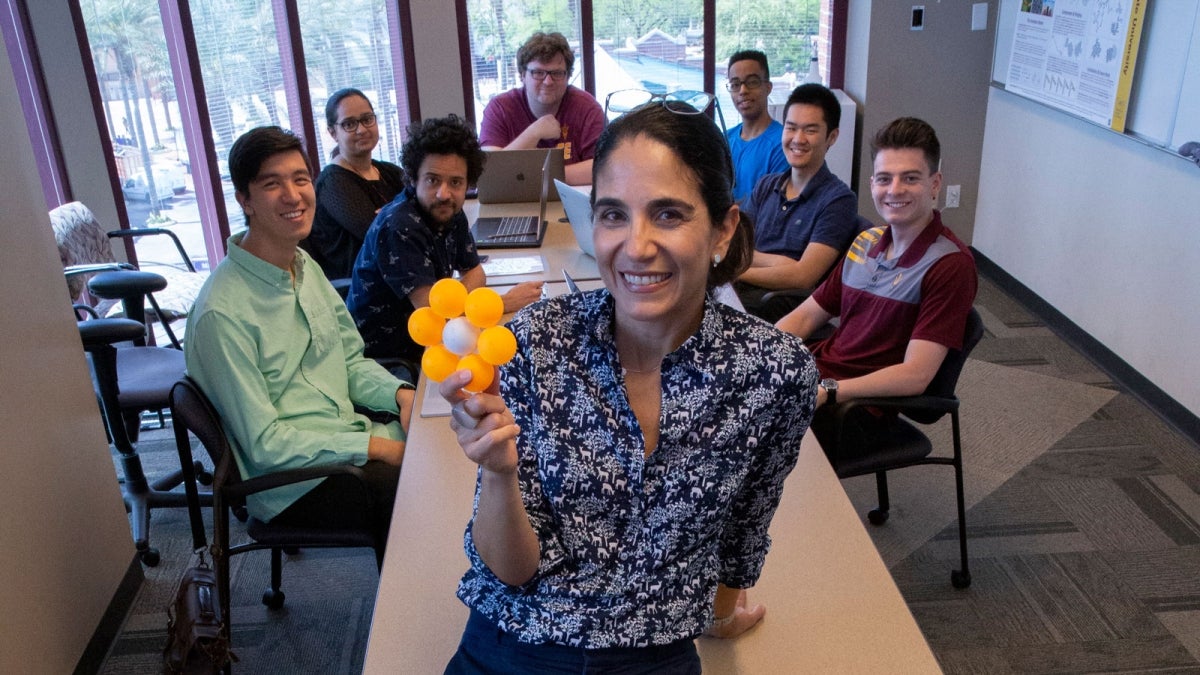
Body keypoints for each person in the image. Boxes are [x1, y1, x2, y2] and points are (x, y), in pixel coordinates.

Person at [439, 102, 818, 673]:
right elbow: (512, 570)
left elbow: (744, 530)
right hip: (515, 641)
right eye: (613, 215)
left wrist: (718, 618)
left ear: (723, 228)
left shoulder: (774, 372)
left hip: (654, 653)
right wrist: (497, 472)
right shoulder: (534, 347)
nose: (635, 246)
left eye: (668, 214)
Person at [185, 126, 414, 566]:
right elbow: (267, 444)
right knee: (422, 493)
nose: (293, 195)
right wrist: (378, 448)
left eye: (301, 179)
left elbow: (348, 361)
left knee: (453, 442)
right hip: (293, 482)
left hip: (346, 440)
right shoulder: (222, 314)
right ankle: (412, 624)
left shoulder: (302, 264)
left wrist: (399, 394)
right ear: (245, 200)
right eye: (272, 183)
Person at [776, 117, 977, 452]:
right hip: (820, 378)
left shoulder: (949, 265)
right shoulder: (865, 242)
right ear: (872, 184)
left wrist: (831, 390)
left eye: (910, 178)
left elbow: (916, 375)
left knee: (739, 433)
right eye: (885, 179)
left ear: (935, 183)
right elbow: (806, 317)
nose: (894, 190)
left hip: (861, 406)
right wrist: (762, 354)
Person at [346, 115, 542, 377]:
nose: (444, 193)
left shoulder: (450, 211)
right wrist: (503, 303)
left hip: (436, 341)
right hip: (390, 357)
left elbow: (475, 273)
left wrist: (463, 304)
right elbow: (433, 311)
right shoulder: (399, 226)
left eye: (456, 183)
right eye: (432, 180)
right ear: (414, 179)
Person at [735, 83, 859, 323]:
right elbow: (738, 247)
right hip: (743, 297)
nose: (798, 139)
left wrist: (740, 271)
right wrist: (781, 263)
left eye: (810, 130)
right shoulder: (766, 185)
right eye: (791, 128)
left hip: (778, 310)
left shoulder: (839, 200)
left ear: (831, 137)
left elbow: (803, 276)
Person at [478, 31, 604, 186]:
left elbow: (603, 168)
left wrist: (534, 176)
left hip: (570, 202)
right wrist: (533, 133)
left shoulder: (587, 109)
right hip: (512, 205)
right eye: (538, 73)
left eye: (557, 73)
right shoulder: (499, 109)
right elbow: (489, 173)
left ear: (568, 76)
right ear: (522, 75)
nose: (548, 82)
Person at [305, 88, 405, 279]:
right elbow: (381, 235)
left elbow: (424, 212)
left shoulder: (389, 172)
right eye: (349, 124)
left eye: (367, 119)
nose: (362, 129)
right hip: (360, 289)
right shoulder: (333, 183)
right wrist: (402, 213)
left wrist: (390, 215)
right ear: (333, 133)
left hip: (397, 275)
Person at [724, 50, 788, 203]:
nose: (743, 91)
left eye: (752, 82)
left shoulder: (782, 144)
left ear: (768, 87)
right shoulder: (725, 139)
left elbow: (773, 209)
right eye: (735, 84)